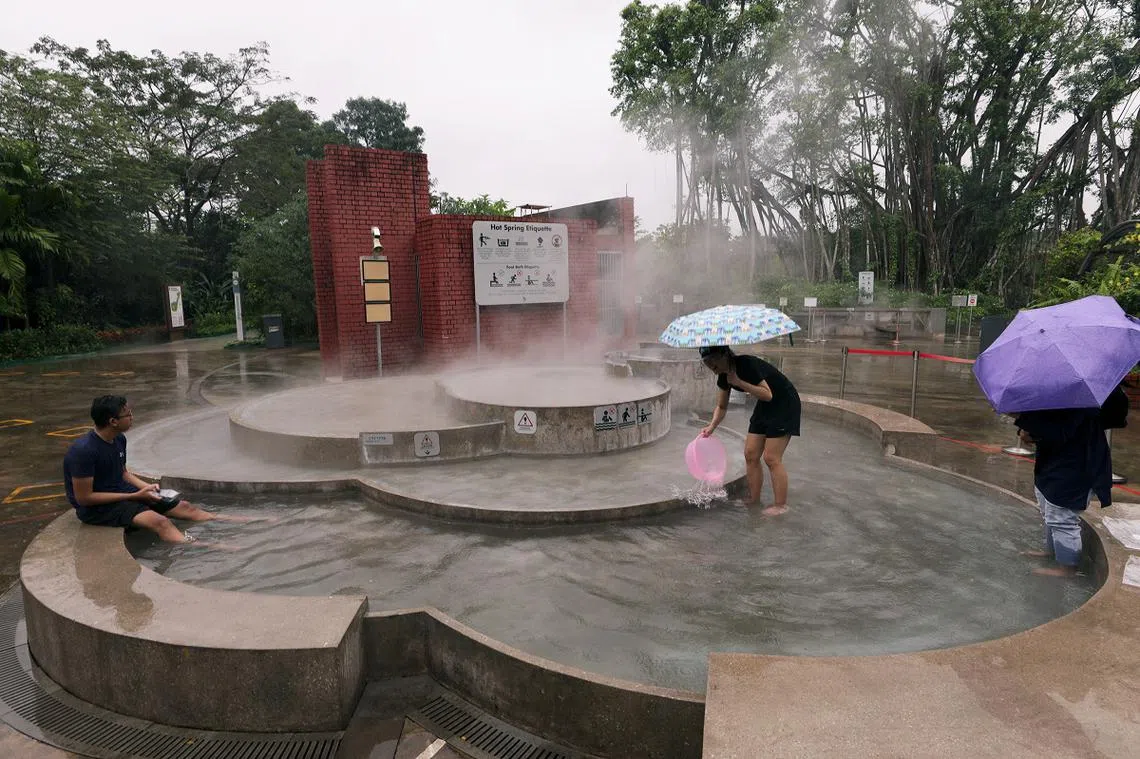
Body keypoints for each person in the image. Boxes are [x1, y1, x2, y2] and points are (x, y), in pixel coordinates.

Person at [63, 395, 245, 543]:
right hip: (97, 509)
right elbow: (84, 498)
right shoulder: (84, 451)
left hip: (121, 492)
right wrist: (134, 496)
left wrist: (147, 488)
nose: (132, 418)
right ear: (113, 421)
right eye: (128, 415)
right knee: (161, 522)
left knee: (185, 507)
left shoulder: (119, 439)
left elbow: (123, 473)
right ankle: (207, 545)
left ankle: (241, 521)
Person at [698, 345, 801, 515]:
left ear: (725, 354)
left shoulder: (746, 364)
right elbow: (721, 406)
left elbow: (768, 394)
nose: (711, 366)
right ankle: (754, 498)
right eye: (706, 363)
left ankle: (781, 505)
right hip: (765, 406)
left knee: (771, 457)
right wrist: (712, 426)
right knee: (751, 454)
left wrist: (739, 383)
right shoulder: (723, 377)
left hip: (785, 403)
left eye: (712, 361)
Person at [1014, 406, 1112, 577]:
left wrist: (1031, 430)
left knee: (1062, 517)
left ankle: (1067, 568)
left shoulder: (1080, 404)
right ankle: (1054, 553)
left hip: (1074, 468)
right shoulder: (1057, 398)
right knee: (1049, 512)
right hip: (1053, 464)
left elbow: (1060, 430)